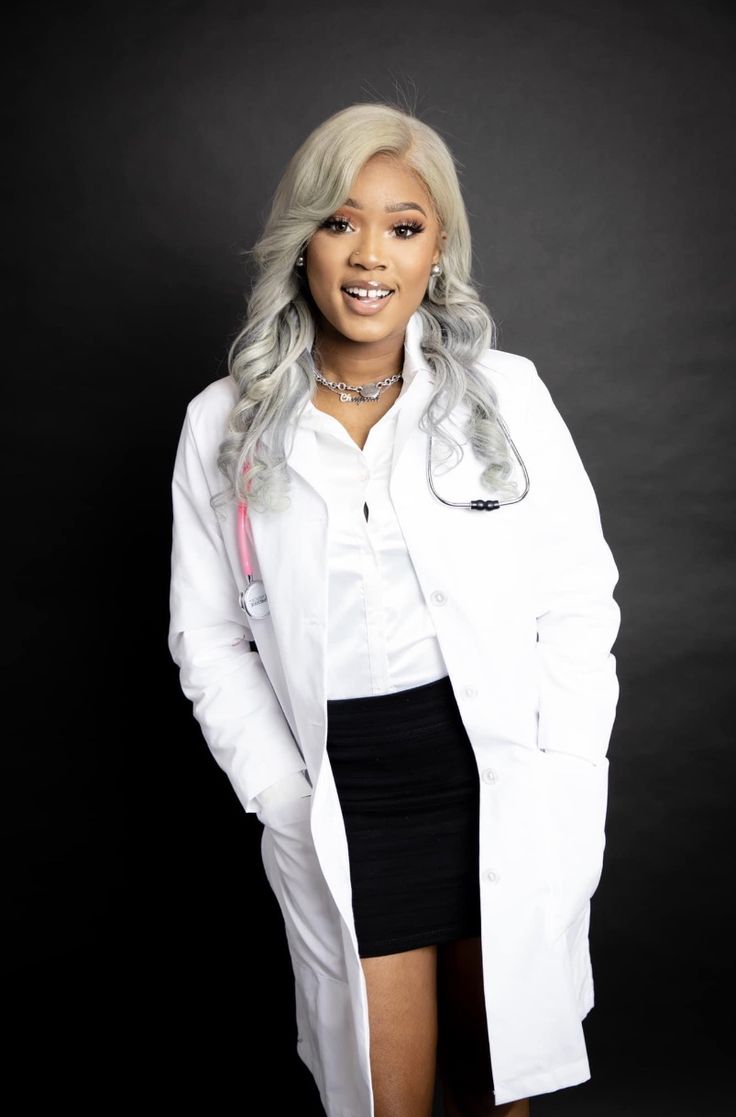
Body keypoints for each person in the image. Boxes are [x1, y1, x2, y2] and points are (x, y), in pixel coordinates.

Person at [167, 101, 621, 1117]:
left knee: (501, 1091)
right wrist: (283, 794)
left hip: (491, 774)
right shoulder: (220, 427)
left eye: (403, 226)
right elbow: (207, 633)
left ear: (436, 248)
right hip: (346, 793)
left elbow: (576, 601)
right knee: (386, 1099)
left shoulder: (507, 395)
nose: (370, 254)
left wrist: (563, 770)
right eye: (340, 221)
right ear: (302, 242)